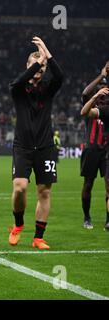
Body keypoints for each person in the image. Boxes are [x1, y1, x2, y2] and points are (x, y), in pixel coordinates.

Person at [8, 37, 63, 250]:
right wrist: (38, 63)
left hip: (45, 147)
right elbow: (18, 82)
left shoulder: (48, 88)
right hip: (23, 146)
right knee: (20, 188)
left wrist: (46, 54)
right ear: (28, 67)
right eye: (35, 65)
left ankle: (38, 237)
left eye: (43, 66)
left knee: (44, 192)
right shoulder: (18, 89)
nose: (40, 69)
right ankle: (18, 224)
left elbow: (60, 76)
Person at [79, 62, 109, 229]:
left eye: (106, 87)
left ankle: (108, 219)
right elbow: (85, 93)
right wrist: (101, 76)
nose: (104, 89)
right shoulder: (92, 104)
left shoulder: (107, 107)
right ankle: (86, 217)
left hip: (106, 150)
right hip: (91, 148)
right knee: (88, 184)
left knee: (108, 185)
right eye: (101, 87)